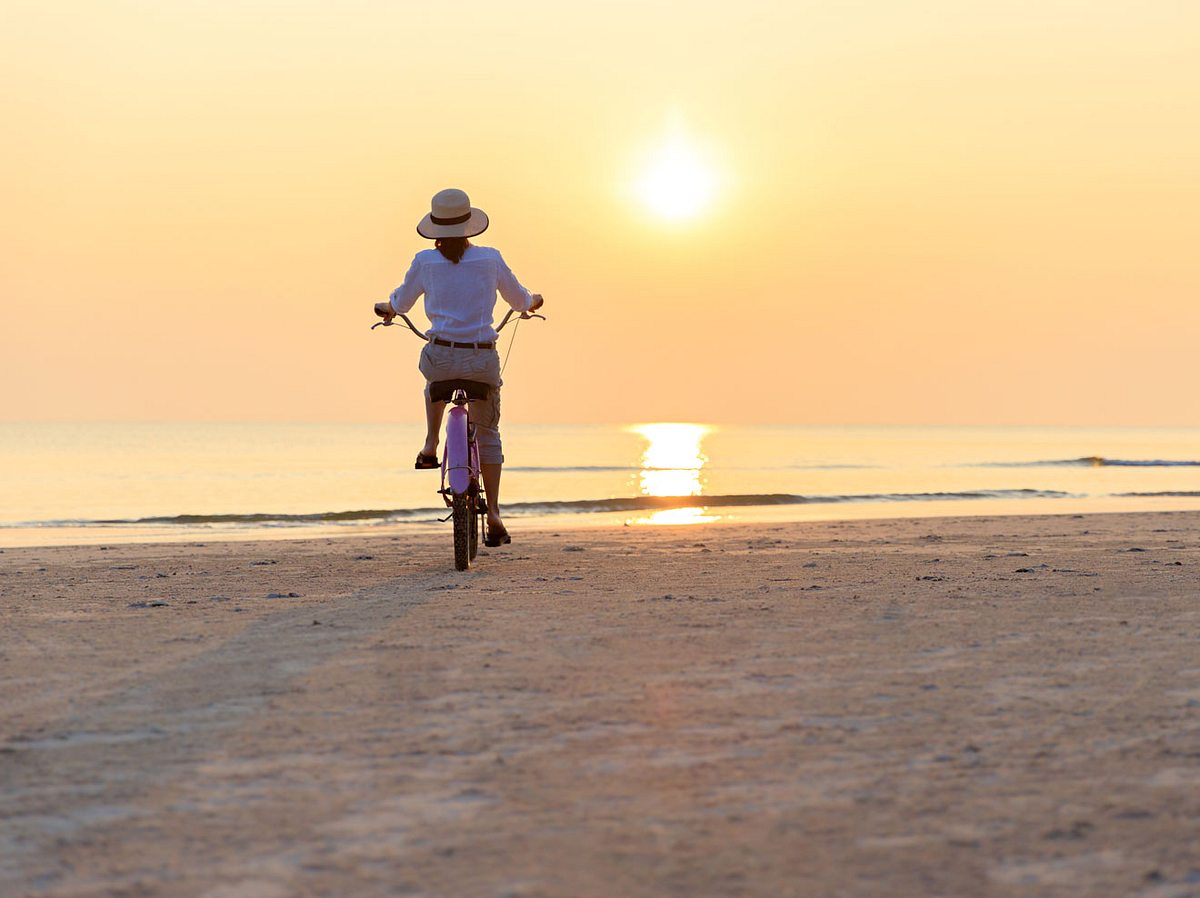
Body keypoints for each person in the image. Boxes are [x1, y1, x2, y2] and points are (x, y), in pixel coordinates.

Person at [374, 188, 544, 547]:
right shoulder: (490, 259)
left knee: (433, 379)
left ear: (434, 228)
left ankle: (431, 444)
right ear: (470, 226)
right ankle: (495, 512)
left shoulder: (424, 262)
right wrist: (532, 303)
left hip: (441, 355)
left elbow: (400, 302)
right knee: (488, 433)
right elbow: (519, 299)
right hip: (481, 357)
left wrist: (388, 309)